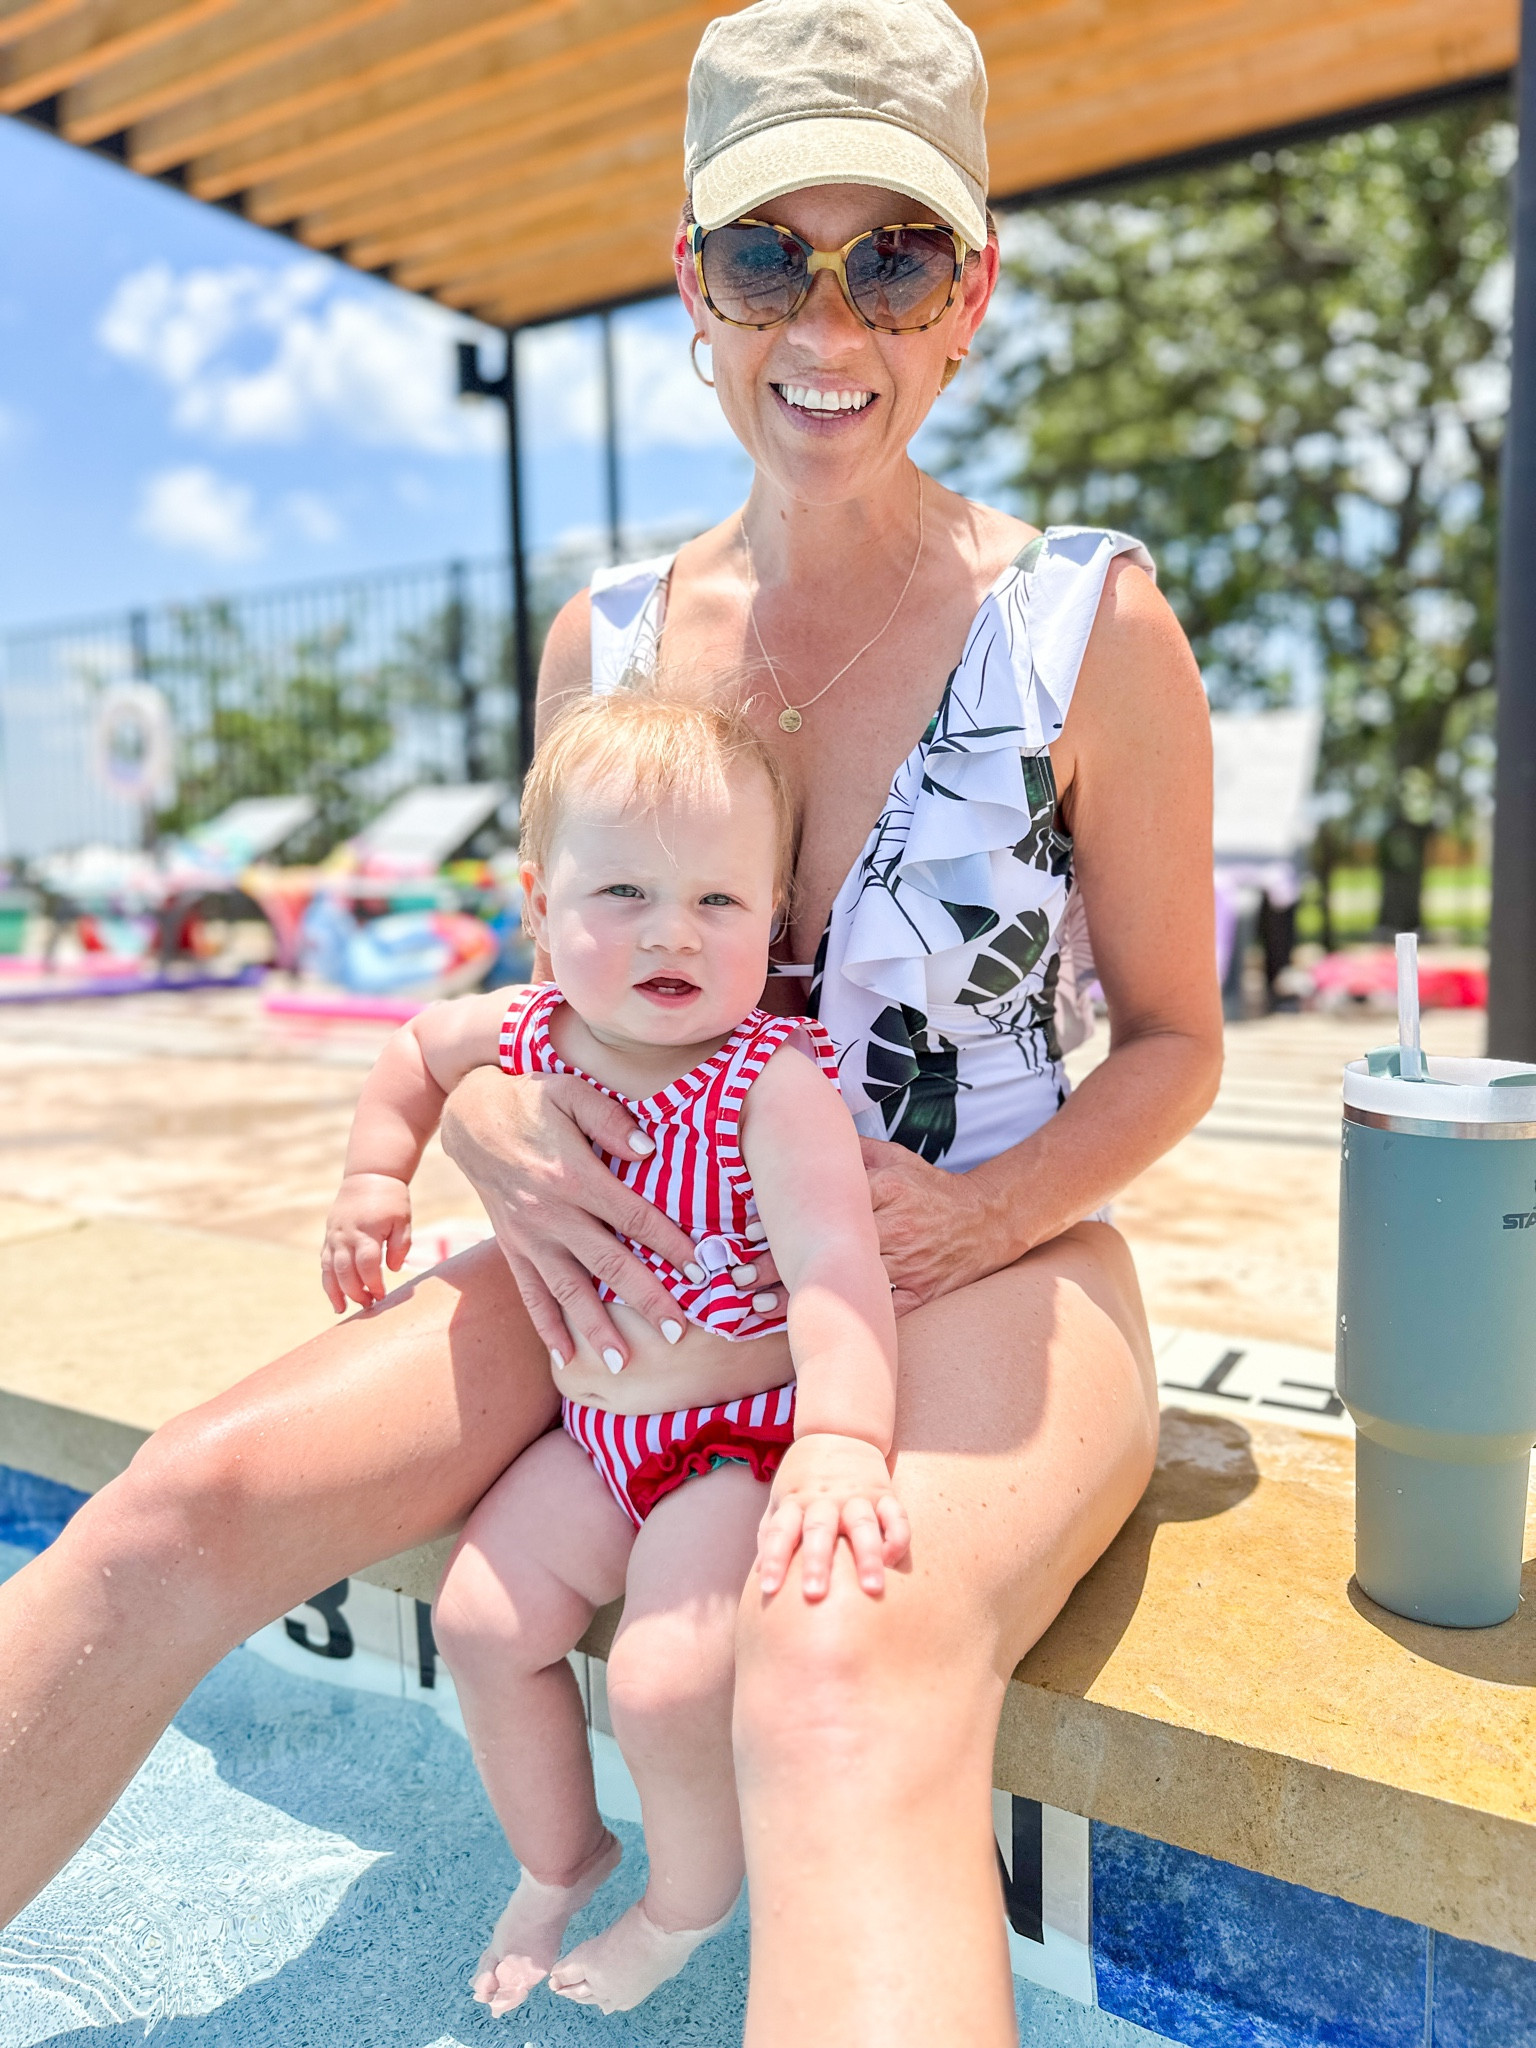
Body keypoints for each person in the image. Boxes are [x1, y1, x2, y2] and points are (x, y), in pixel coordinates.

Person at [0, 3, 1221, 2040]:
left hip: (982, 1246)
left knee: (842, 1664)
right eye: (769, 255)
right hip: (644, 1234)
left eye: (895, 255)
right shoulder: (618, 641)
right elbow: (549, 980)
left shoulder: (1093, 626)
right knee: (191, 1495)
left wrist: (976, 1225)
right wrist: (478, 1115)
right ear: (692, 282)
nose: (830, 319)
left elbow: (1179, 1044)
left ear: (973, 294)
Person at [321, 691, 906, 2016]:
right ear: (539, 901)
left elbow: (834, 1272)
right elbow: (413, 1048)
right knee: (478, 1620)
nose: (670, 932)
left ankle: (689, 1903)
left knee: (662, 1678)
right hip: (594, 1439)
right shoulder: (528, 1034)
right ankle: (558, 1852)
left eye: (718, 902)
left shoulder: (770, 1082)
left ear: (777, 923)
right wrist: (372, 1176)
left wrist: (839, 1439)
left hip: (725, 1447)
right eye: (625, 891)